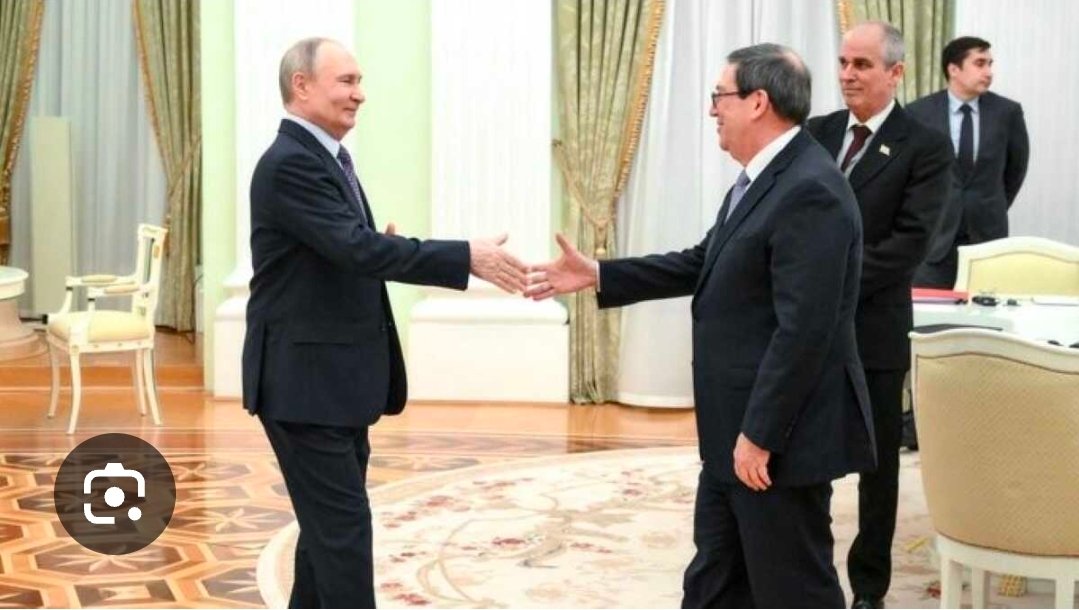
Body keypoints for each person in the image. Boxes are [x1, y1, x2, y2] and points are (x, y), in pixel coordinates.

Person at [527, 43, 875, 608]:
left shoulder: (810, 189)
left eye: (720, 96)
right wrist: (599, 274)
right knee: (714, 582)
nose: (713, 109)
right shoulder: (765, 179)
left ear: (757, 102)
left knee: (793, 589)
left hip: (775, 441)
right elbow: (702, 262)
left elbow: (804, 332)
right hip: (733, 430)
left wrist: (760, 436)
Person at [242, 37, 526, 608]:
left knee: (327, 536)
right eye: (346, 81)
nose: (360, 94)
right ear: (302, 85)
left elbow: (345, 251)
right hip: (305, 386)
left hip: (329, 383)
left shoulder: (322, 158)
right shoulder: (292, 163)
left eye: (359, 81)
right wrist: (463, 256)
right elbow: (356, 249)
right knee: (343, 537)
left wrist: (372, 251)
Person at [806, 21, 953, 610]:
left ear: (896, 73)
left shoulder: (925, 146)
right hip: (806, 329)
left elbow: (909, 245)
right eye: (843, 62)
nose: (847, 74)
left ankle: (869, 588)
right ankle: (808, 570)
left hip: (874, 329)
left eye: (862, 65)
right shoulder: (815, 134)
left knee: (877, 467)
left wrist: (823, 282)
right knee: (804, 455)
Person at [908, 36, 1030, 288]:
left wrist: (989, 203)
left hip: (987, 238)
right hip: (934, 242)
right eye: (980, 63)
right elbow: (909, 174)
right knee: (928, 311)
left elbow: (1015, 171)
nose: (988, 72)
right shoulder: (918, 113)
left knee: (985, 310)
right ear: (954, 69)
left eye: (990, 64)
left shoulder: (1007, 113)